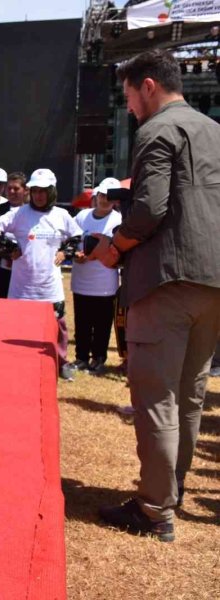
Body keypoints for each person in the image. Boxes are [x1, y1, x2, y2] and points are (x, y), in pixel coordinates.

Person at [89, 50, 220, 542]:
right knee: (190, 395)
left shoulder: (158, 130)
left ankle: (152, 508)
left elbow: (148, 211)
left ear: (147, 86)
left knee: (158, 399)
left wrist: (114, 247)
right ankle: (171, 489)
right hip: (212, 281)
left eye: (128, 97)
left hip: (166, 279)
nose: (128, 109)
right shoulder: (214, 131)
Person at [0, 168, 82, 380]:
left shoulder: (62, 215)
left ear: (52, 192)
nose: (39, 195)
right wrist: (9, 250)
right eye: (35, 190)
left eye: (44, 191)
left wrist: (64, 251)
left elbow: (77, 236)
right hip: (21, 287)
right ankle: (15, 362)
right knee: (16, 328)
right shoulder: (19, 214)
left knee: (58, 327)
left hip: (50, 287)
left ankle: (61, 362)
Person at [69, 177, 123, 375]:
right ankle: (81, 357)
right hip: (81, 280)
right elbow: (72, 240)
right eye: (102, 195)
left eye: (109, 197)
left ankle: (99, 358)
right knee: (82, 322)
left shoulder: (119, 220)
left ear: (116, 200)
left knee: (101, 324)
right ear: (96, 195)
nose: (104, 200)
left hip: (105, 283)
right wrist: (76, 255)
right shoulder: (82, 216)